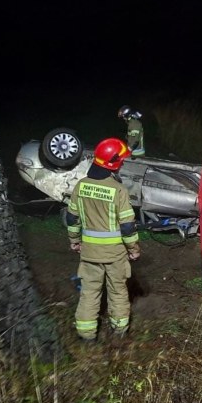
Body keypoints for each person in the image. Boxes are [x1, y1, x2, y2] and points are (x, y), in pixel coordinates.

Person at [66, 137, 141, 342]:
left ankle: (86, 336)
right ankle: (119, 334)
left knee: (89, 293)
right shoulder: (118, 190)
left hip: (89, 252)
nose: (123, 163)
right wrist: (133, 249)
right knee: (117, 292)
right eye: (121, 160)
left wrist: (74, 240)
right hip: (115, 254)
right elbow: (127, 226)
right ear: (113, 163)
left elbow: (72, 218)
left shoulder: (80, 186)